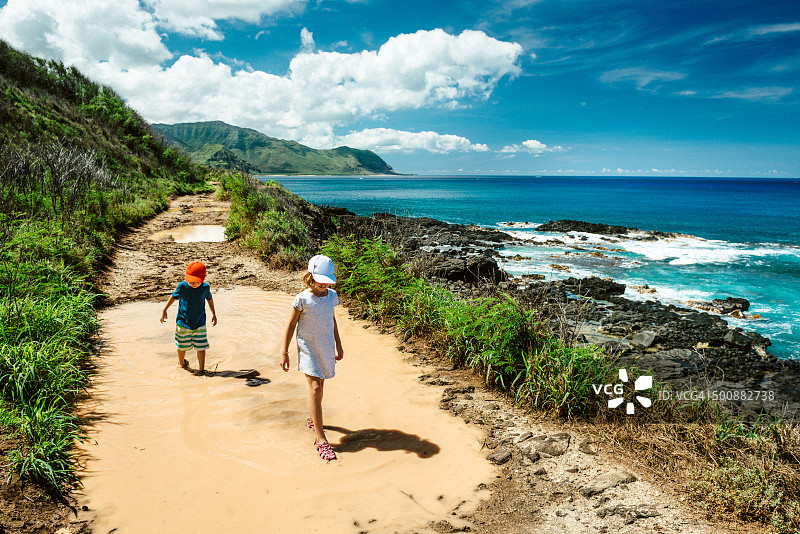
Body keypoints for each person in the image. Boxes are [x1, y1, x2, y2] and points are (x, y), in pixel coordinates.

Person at [281, 254, 344, 461]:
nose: (324, 284)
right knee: (315, 389)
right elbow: (291, 325)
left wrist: (339, 344)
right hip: (307, 347)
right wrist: (284, 352)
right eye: (320, 280)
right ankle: (321, 439)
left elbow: (332, 320)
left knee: (320, 387)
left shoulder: (332, 296)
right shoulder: (302, 299)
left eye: (327, 281)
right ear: (310, 276)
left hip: (325, 345)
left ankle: (312, 418)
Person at [161, 261, 217, 373]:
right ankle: (182, 364)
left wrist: (214, 314)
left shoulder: (205, 288)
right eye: (190, 281)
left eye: (196, 282)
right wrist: (164, 309)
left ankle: (201, 369)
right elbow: (173, 297)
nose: (193, 284)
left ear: (203, 278)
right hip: (183, 322)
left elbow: (209, 299)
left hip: (200, 322)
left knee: (201, 346)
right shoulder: (182, 286)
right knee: (181, 345)